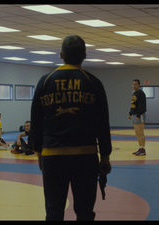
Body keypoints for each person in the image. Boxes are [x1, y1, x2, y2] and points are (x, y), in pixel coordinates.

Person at [30, 35, 112, 221]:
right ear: (84, 55)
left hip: (53, 156)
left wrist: (39, 153)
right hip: (85, 157)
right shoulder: (93, 83)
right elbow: (102, 123)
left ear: (61, 55)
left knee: (54, 211)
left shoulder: (45, 81)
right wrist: (105, 156)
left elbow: (36, 122)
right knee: (84, 212)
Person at [128, 79, 147, 156]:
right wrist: (130, 113)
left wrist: (138, 115)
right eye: (133, 84)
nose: (134, 86)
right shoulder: (133, 93)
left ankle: (143, 149)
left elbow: (142, 105)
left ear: (139, 85)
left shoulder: (141, 93)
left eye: (135, 84)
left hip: (140, 115)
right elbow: (133, 104)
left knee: (140, 132)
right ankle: (140, 148)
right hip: (134, 114)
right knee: (137, 133)